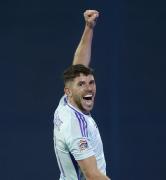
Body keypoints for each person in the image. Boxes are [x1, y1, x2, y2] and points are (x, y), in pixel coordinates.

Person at [53, 10, 110, 180]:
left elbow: (78, 65)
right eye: (82, 85)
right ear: (68, 91)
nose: (88, 88)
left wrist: (89, 27)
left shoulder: (66, 103)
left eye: (91, 82)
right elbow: (92, 175)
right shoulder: (75, 126)